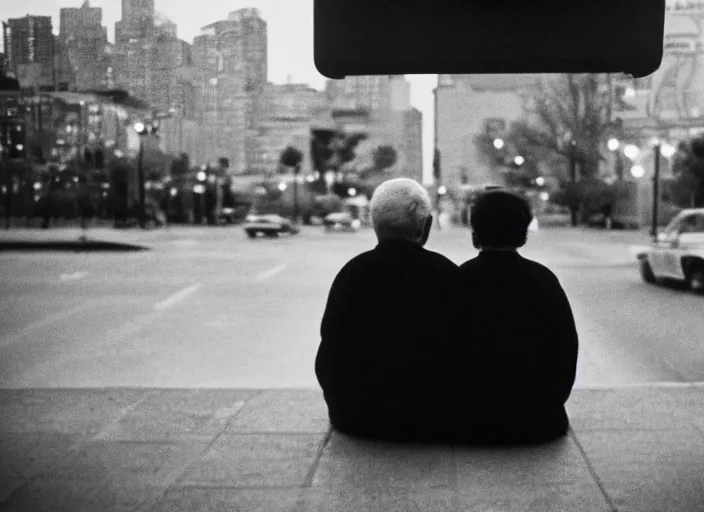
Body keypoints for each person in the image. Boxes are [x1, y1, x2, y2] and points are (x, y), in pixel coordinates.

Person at [315, 178, 462, 443]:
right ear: (425, 226)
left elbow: (330, 351)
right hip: (433, 417)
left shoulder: (352, 274)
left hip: (356, 417)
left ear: (375, 225)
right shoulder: (448, 274)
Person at [455, 189, 578, 444]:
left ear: (475, 232)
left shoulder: (458, 279)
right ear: (522, 233)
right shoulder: (544, 280)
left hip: (469, 421)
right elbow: (566, 350)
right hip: (540, 422)